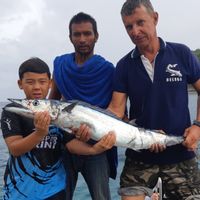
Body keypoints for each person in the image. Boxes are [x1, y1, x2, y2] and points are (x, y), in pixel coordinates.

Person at [108, 0, 200, 199]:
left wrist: (198, 125)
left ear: (155, 18)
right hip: (139, 155)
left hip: (180, 153)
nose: (135, 31)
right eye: (129, 26)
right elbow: (116, 112)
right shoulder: (123, 66)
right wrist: (84, 125)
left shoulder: (181, 53)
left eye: (140, 22)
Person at [0, 57, 116, 200]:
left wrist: (94, 150)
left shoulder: (57, 112)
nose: (36, 87)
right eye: (30, 82)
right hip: (20, 192)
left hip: (55, 190)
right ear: (20, 84)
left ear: (50, 84)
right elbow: (14, 148)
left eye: (42, 82)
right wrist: (39, 134)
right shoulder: (12, 111)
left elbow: (70, 143)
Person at [48, 12, 118, 200]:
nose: (82, 39)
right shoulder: (60, 65)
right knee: (60, 196)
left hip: (97, 146)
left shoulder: (108, 70)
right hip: (65, 145)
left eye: (87, 34)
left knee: (101, 197)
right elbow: (52, 101)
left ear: (96, 36)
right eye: (77, 34)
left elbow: (117, 113)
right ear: (70, 37)